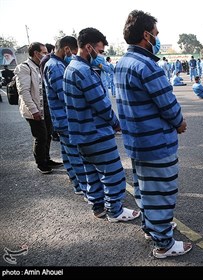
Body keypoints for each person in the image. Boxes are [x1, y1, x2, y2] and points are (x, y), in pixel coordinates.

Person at [114, 10, 192, 258]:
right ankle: (164, 245)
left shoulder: (122, 64)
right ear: (146, 35)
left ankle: (152, 228)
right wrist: (179, 123)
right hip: (156, 142)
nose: (157, 39)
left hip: (137, 142)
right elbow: (168, 105)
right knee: (162, 193)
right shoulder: (148, 66)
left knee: (145, 190)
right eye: (156, 34)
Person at [63, 27, 139, 222]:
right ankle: (115, 210)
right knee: (112, 173)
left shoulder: (70, 68)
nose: (101, 56)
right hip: (95, 133)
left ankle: (98, 207)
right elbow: (101, 105)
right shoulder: (84, 71)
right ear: (89, 47)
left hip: (80, 134)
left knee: (92, 173)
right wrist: (116, 124)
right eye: (101, 51)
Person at [42, 36, 87, 196]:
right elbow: (66, 96)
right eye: (73, 52)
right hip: (66, 119)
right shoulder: (56, 67)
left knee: (68, 154)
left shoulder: (55, 64)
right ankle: (83, 186)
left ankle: (77, 184)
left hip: (61, 119)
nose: (74, 56)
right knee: (75, 155)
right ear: (67, 49)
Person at [13, 42, 63, 174]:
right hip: (34, 110)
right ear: (36, 53)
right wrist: (33, 110)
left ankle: (47, 158)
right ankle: (41, 163)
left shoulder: (41, 65)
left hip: (45, 107)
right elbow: (24, 91)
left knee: (48, 135)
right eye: (45, 52)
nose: (47, 54)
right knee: (40, 136)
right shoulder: (24, 68)